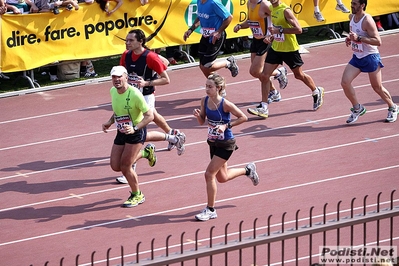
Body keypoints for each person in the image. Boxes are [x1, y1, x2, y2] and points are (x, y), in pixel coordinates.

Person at [116, 29, 186, 184]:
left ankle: (130, 168)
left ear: (140, 42)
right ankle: (173, 138)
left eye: (130, 40)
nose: (127, 43)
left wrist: (146, 83)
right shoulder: (125, 56)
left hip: (146, 96)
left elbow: (165, 79)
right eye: (126, 40)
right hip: (131, 96)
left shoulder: (150, 57)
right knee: (137, 133)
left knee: (135, 133)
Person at [192, 73, 259, 221]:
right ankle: (248, 170)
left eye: (210, 87)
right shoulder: (204, 100)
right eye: (206, 86)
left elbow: (243, 117)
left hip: (226, 143)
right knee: (222, 177)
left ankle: (210, 210)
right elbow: (202, 121)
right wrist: (198, 116)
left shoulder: (225, 104)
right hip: (213, 142)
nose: (207, 89)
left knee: (209, 174)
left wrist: (226, 125)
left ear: (218, 88)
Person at [248, 0, 324, 119]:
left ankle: (316, 90)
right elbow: (274, 28)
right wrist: (270, 37)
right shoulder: (270, 9)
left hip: (290, 49)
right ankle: (264, 107)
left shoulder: (285, 10)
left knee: (298, 75)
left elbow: (298, 29)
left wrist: (280, 30)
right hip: (276, 48)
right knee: (264, 75)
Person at [102, 66, 154, 207]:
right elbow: (118, 112)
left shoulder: (135, 94)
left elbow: (150, 116)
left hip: (136, 132)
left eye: (119, 76)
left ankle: (137, 194)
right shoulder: (113, 91)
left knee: (125, 167)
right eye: (114, 77)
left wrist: (135, 128)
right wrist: (109, 122)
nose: (116, 80)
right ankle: (145, 153)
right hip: (121, 131)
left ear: (126, 77)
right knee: (115, 166)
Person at [341, 0, 398, 124]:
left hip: (370, 56)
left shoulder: (367, 20)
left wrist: (359, 38)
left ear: (362, 5)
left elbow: (378, 41)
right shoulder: (351, 17)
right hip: (357, 56)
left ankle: (392, 107)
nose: (352, 6)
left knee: (377, 87)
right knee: (345, 82)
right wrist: (350, 39)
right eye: (351, 3)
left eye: (355, 4)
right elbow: (354, 35)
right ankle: (357, 108)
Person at [233, 0, 288, 108]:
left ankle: (276, 78)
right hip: (256, 40)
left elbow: (278, 18)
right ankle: (276, 82)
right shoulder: (249, 3)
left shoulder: (265, 5)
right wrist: (240, 26)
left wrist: (272, 35)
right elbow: (250, 21)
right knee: (257, 73)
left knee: (255, 71)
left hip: (266, 41)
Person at [183, 0, 239, 79]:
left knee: (206, 66)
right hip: (205, 36)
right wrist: (191, 29)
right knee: (202, 66)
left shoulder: (214, 3)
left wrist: (218, 31)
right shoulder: (199, 1)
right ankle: (217, 86)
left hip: (216, 37)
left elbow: (229, 17)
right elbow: (200, 16)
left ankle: (229, 62)